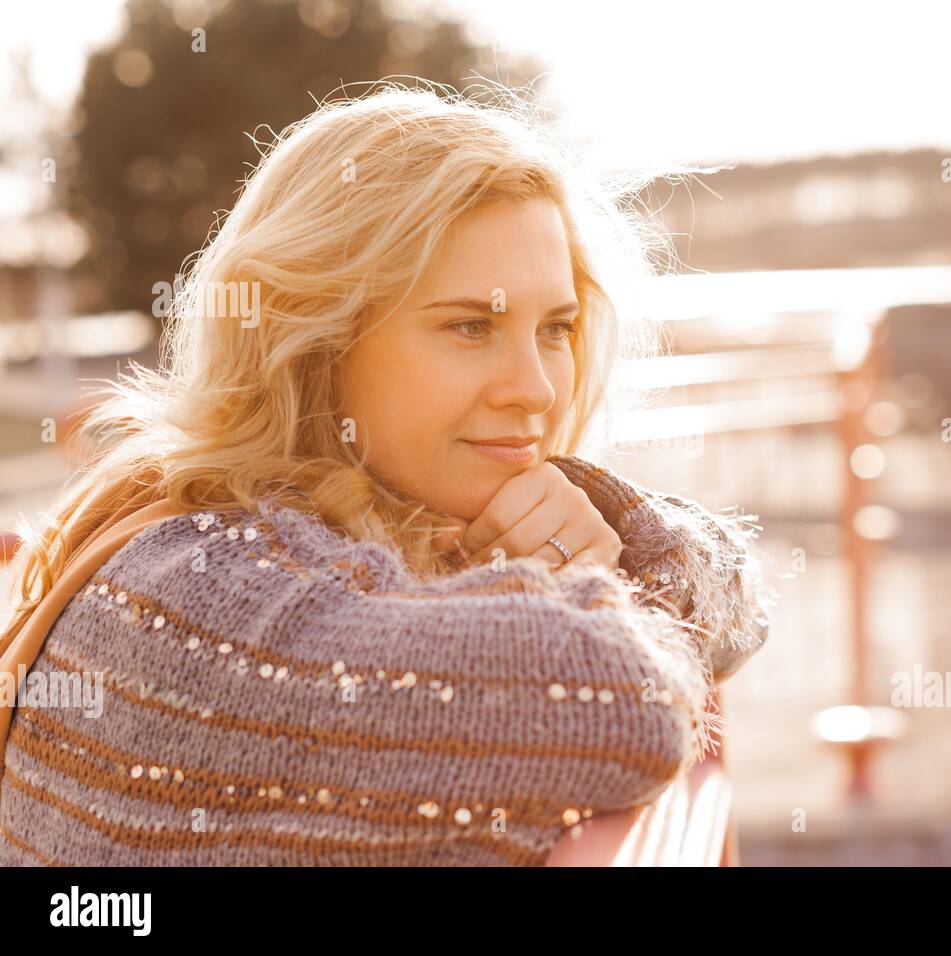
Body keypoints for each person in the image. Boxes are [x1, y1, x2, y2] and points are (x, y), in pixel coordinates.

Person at [0, 81, 773, 866]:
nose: (537, 388)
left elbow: (740, 596)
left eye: (557, 329)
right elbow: (620, 704)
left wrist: (606, 523)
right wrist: (606, 572)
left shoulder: (350, 531)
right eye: (470, 326)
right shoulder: (211, 598)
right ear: (314, 341)